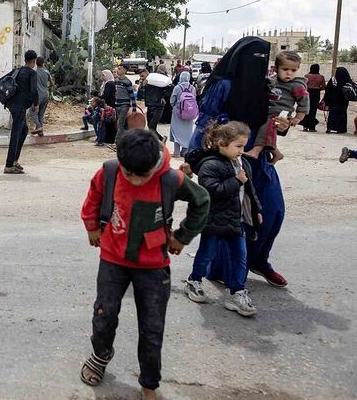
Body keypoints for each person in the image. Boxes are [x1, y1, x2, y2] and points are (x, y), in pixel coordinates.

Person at [79, 129, 209, 399]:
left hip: (153, 264)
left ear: (156, 164)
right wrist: (92, 226)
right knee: (104, 315)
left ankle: (149, 382)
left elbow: (202, 202)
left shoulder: (171, 179)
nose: (136, 180)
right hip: (112, 258)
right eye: (130, 174)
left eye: (143, 175)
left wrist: (182, 236)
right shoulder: (110, 171)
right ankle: (100, 355)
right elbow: (93, 197)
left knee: (151, 327)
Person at [189, 36, 290, 289]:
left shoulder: (267, 86)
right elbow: (206, 121)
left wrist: (284, 125)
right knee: (232, 217)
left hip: (259, 159)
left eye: (263, 59)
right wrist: (195, 157)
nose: (258, 64)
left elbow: (272, 117)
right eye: (253, 58)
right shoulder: (223, 84)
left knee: (273, 210)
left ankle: (258, 260)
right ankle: (223, 270)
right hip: (229, 160)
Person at [184, 120, 262, 317]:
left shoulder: (241, 163)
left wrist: (256, 210)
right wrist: (236, 181)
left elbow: (249, 191)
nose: (241, 150)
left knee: (239, 256)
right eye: (238, 146)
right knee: (207, 253)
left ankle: (236, 292)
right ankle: (194, 280)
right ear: (221, 143)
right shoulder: (209, 165)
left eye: (244, 146)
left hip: (236, 220)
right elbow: (211, 191)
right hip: (214, 220)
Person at [243, 51, 308, 163]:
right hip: (268, 111)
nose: (289, 73)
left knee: (267, 126)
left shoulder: (297, 85)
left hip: (281, 113)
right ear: (276, 68)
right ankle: (276, 153)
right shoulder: (272, 81)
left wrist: (297, 118)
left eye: (293, 70)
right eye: (285, 69)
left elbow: (304, 103)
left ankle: (256, 150)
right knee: (264, 130)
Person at [2, 50, 38, 174]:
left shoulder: (17, 70)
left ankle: (15, 160)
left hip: (13, 105)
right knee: (16, 133)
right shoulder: (32, 73)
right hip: (19, 107)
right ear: (33, 61)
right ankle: (9, 165)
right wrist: (36, 104)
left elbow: (2, 80)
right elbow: (34, 91)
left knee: (24, 130)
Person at [169, 71, 196, 158]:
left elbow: (172, 100)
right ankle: (184, 151)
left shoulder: (177, 87)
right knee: (187, 132)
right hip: (190, 112)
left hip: (178, 112)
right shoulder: (192, 88)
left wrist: (175, 107)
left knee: (176, 131)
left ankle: (176, 152)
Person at [324, 67, 353, 134]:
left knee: (332, 113)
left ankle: (331, 128)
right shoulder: (347, 80)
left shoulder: (333, 80)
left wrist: (327, 100)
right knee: (342, 113)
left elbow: (328, 90)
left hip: (333, 100)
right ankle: (341, 129)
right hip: (344, 100)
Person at [29, 56, 53, 136]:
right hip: (46, 94)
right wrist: (46, 87)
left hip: (38, 95)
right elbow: (52, 83)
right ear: (43, 63)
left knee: (32, 111)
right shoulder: (47, 72)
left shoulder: (34, 73)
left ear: (36, 63)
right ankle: (40, 132)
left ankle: (39, 126)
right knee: (41, 113)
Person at [143, 69, 171, 135]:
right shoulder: (148, 83)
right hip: (150, 105)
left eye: (142, 76)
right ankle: (159, 140)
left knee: (152, 126)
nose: (141, 78)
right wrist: (142, 86)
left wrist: (163, 96)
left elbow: (170, 89)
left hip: (158, 106)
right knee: (150, 127)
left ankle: (160, 140)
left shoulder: (160, 82)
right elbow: (141, 95)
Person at [300, 64, 326, 132]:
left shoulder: (307, 76)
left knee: (306, 109)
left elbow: (303, 85)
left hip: (307, 93)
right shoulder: (321, 77)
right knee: (313, 110)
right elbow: (323, 87)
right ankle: (312, 127)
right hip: (316, 94)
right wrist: (318, 89)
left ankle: (305, 126)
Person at [114, 66, 136, 143]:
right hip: (118, 104)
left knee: (120, 123)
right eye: (118, 68)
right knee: (123, 123)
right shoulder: (116, 81)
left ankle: (117, 141)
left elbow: (132, 95)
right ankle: (126, 139)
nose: (118, 70)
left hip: (125, 104)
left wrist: (134, 108)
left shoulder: (127, 82)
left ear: (125, 70)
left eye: (120, 69)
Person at [100, 69, 118, 143]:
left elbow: (106, 95)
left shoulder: (109, 84)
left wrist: (98, 97)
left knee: (109, 122)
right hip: (109, 105)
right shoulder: (107, 83)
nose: (102, 77)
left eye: (103, 75)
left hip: (109, 105)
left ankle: (109, 139)